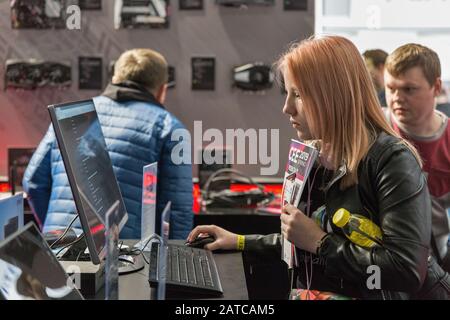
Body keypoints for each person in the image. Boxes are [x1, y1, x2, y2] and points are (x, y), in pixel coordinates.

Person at [188, 35, 435, 299]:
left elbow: (406, 271)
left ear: (332, 96)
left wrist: (321, 243)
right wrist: (239, 241)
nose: (287, 108)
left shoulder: (391, 160)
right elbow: (302, 238)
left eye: (298, 94)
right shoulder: (320, 158)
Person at [23, 49, 193, 239]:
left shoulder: (70, 116)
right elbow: (177, 211)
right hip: (125, 259)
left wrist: (53, 231)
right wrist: (176, 256)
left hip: (60, 252)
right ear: (162, 89)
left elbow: (33, 182)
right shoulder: (170, 128)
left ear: (114, 77)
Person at [384, 44, 450, 269]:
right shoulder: (372, 129)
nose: (396, 98)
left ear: (436, 87)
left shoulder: (448, 140)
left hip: (436, 269)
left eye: (409, 89)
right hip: (380, 263)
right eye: (390, 88)